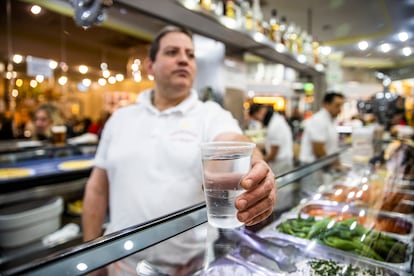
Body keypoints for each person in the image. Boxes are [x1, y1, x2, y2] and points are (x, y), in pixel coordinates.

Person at [82, 25, 277, 275]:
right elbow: (98, 188)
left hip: (191, 266)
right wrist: (91, 256)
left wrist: (256, 169)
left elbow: (233, 144)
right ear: (150, 66)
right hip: (121, 263)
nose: (184, 59)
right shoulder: (120, 118)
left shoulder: (210, 114)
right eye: (172, 52)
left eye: (190, 54)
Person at [298, 92, 345, 195]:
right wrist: (334, 165)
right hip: (312, 167)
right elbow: (318, 149)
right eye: (337, 105)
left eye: (341, 105)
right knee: (311, 195)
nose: (340, 109)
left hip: (323, 166)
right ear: (326, 104)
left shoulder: (331, 120)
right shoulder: (319, 120)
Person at [250, 104, 294, 175]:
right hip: (281, 163)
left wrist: (257, 163)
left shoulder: (275, 125)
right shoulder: (275, 120)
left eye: (256, 117)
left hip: (281, 164)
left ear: (262, 111)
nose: (258, 120)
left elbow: (273, 154)